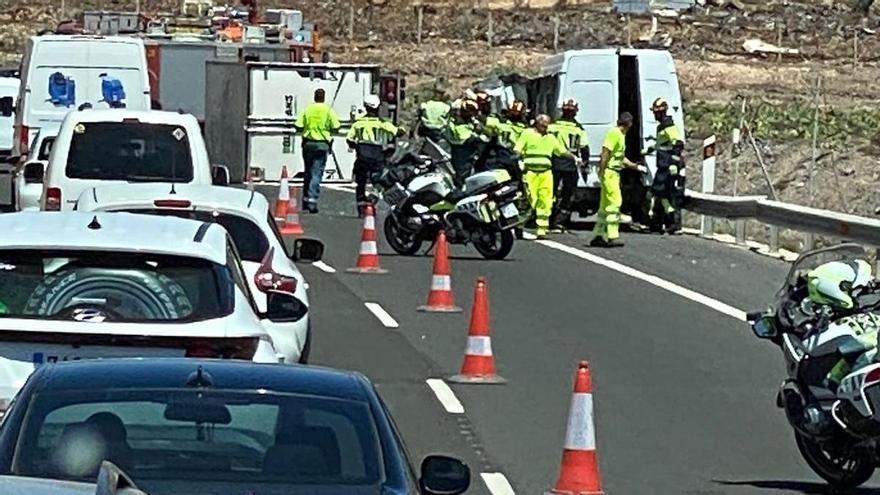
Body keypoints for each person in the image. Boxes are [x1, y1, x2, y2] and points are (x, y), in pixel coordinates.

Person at [514, 114, 575, 239]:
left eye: (547, 125)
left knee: (546, 201)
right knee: (529, 201)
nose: (545, 127)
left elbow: (561, 151)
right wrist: (517, 160)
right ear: (537, 123)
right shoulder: (527, 134)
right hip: (530, 173)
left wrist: (575, 158)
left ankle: (542, 229)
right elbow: (518, 149)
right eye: (543, 125)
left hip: (546, 173)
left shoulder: (551, 138)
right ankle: (519, 227)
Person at [347, 95, 404, 217]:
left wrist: (356, 146)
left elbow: (350, 139)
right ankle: (372, 200)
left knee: (360, 182)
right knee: (378, 181)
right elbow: (397, 132)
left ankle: (362, 209)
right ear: (377, 108)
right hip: (377, 154)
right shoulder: (382, 123)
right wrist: (401, 130)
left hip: (362, 155)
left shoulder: (359, 123)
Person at [590, 112, 639, 248]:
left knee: (604, 207)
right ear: (629, 124)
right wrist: (602, 170)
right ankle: (612, 235)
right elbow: (606, 152)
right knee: (615, 203)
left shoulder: (620, 136)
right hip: (610, 173)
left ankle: (598, 235)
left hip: (613, 173)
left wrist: (633, 166)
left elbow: (619, 157)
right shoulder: (615, 133)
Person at [294, 89, 341, 214]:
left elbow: (298, 125)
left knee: (308, 172)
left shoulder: (307, 110)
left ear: (315, 97)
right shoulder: (328, 111)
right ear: (323, 98)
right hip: (322, 145)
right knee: (316, 173)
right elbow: (336, 127)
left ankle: (305, 201)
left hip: (308, 144)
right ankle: (311, 202)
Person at [548, 99, 589, 233]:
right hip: (570, 165)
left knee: (551, 193)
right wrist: (585, 163)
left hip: (554, 162)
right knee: (568, 194)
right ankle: (559, 222)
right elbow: (584, 148)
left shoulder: (553, 126)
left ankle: (548, 219)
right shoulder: (578, 129)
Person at [647, 97, 685, 234]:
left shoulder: (669, 127)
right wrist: (649, 150)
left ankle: (673, 222)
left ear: (662, 112)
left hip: (668, 166)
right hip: (662, 165)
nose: (654, 115)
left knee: (661, 193)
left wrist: (674, 163)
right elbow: (662, 145)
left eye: (656, 112)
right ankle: (661, 222)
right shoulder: (662, 127)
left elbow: (678, 144)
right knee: (661, 194)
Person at [448, 99, 486, 182]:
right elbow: (464, 137)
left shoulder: (470, 121)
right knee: (463, 173)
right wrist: (478, 137)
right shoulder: (457, 122)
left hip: (468, 149)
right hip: (460, 149)